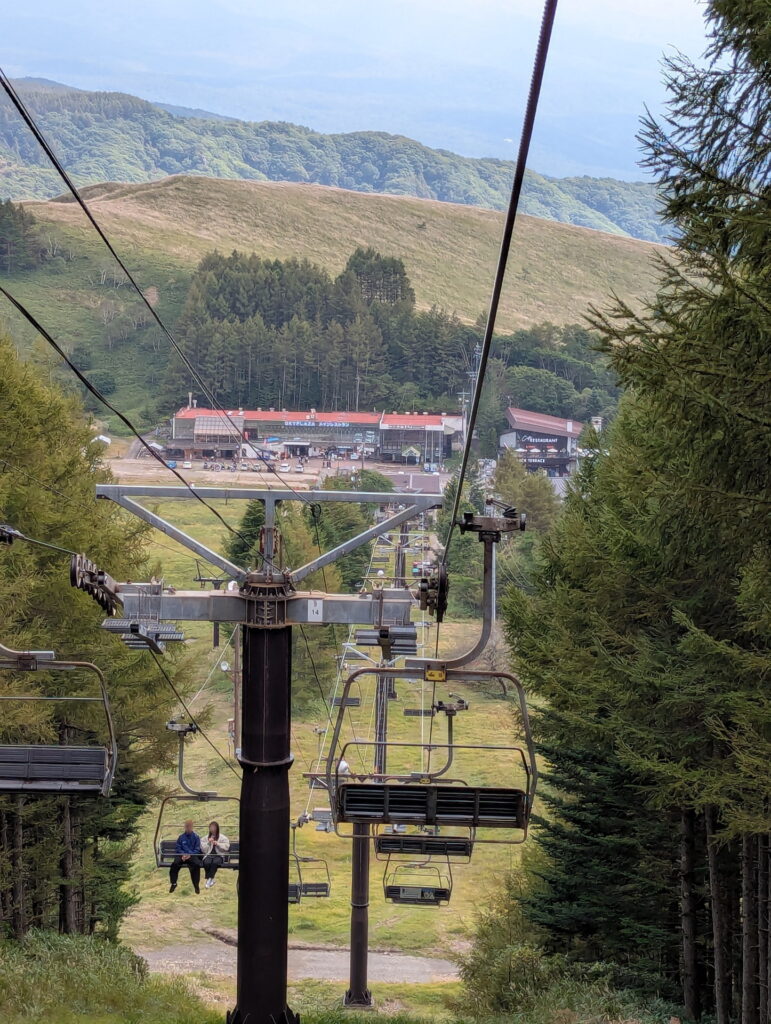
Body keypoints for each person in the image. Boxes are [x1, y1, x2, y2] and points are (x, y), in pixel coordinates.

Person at [169, 820, 203, 894]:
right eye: (187, 827)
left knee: (196, 865)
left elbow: (197, 849)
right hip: (182, 856)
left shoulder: (196, 837)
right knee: (174, 864)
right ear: (184, 827)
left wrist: (190, 855)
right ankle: (173, 883)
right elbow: (178, 848)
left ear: (192, 827)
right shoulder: (181, 837)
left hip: (192, 855)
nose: (188, 828)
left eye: (189, 827)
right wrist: (183, 854)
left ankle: (196, 885)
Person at [201, 820, 231, 889]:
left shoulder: (223, 837)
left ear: (217, 828)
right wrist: (208, 843)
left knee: (215, 862)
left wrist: (218, 844)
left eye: (214, 827)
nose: (212, 829)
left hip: (219, 855)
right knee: (206, 862)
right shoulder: (206, 838)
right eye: (211, 828)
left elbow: (226, 847)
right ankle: (211, 879)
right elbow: (203, 849)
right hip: (209, 855)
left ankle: (209, 879)